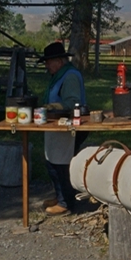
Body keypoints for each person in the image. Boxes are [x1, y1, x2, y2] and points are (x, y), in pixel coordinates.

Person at [39, 42, 87, 215]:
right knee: (53, 161)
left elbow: (73, 102)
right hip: (59, 124)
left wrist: (52, 106)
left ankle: (65, 202)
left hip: (69, 124)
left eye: (48, 62)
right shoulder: (60, 75)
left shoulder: (70, 76)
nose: (46, 65)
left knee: (61, 164)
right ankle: (61, 196)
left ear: (58, 61)